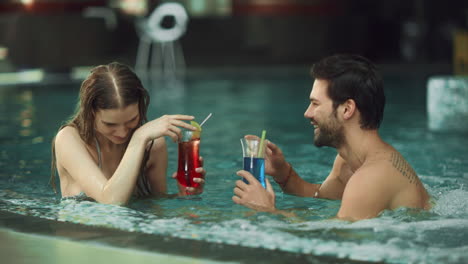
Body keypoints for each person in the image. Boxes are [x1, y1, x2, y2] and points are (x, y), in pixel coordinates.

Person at [232, 54, 431, 221]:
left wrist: (267, 210)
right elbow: (319, 196)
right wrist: (283, 173)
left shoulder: (371, 177)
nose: (307, 113)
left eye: (315, 104)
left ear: (347, 109)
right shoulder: (348, 162)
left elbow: (333, 238)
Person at [50, 62, 205, 204]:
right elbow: (110, 202)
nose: (122, 132)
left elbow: (156, 208)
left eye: (132, 120)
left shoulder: (153, 145)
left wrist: (184, 196)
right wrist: (138, 139)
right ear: (91, 113)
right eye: (110, 124)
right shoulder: (69, 139)